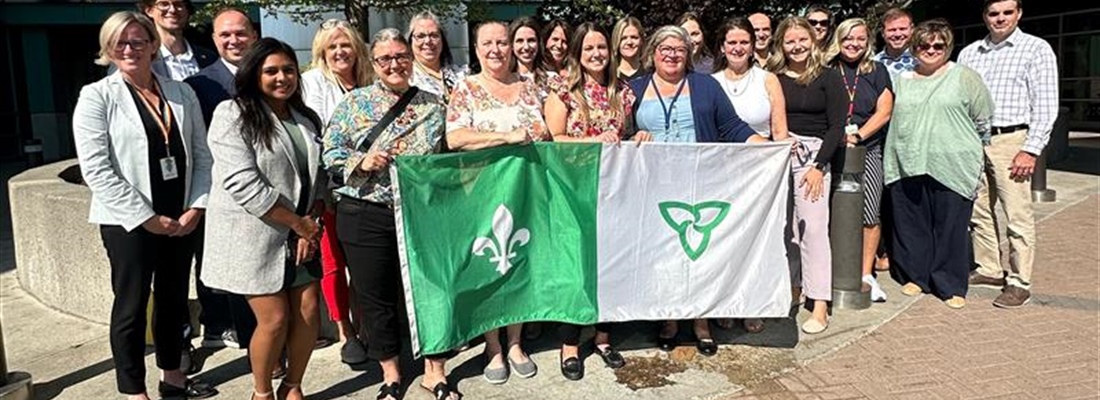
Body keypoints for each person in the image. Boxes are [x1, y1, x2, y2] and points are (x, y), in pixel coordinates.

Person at [73, 11, 215, 400]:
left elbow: (202, 156)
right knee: (132, 306)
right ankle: (135, 391)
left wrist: (197, 206)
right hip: (129, 222)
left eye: (138, 41)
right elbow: (96, 170)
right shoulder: (97, 96)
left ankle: (174, 379)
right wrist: (146, 218)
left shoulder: (181, 93)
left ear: (154, 45)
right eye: (120, 42)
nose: (130, 49)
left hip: (180, 216)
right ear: (108, 49)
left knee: (173, 301)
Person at [322, 28, 462, 400]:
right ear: (373, 62)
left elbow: (452, 155)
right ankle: (391, 373)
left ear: (411, 58)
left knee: (430, 289)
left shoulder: (434, 105)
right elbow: (330, 152)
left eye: (401, 56)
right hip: (365, 212)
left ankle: (436, 369)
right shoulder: (355, 104)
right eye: (385, 58)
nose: (394, 64)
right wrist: (361, 160)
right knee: (374, 294)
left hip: (421, 212)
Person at [202, 38, 326, 400]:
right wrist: (297, 223)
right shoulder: (233, 114)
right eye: (271, 70)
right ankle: (262, 392)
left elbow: (320, 180)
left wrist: (311, 225)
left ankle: (293, 386)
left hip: (302, 234)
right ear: (253, 73)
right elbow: (243, 184)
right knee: (273, 320)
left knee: (308, 310)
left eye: (288, 70)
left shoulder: (306, 118)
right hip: (256, 235)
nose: (282, 77)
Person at [629, 25, 761, 355]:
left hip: (701, 182)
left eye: (680, 49)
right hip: (652, 186)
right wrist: (634, 137)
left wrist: (767, 145)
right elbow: (621, 131)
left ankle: (701, 320)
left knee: (699, 252)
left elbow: (732, 127)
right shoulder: (634, 87)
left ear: (688, 54)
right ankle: (670, 317)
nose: (673, 55)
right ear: (653, 53)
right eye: (666, 49)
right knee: (663, 254)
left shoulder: (706, 86)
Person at [446, 21, 547, 384]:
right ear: (476, 49)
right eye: (487, 43)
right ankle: (493, 345)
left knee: (519, 262)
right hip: (482, 193)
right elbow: (455, 138)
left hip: (525, 190)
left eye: (502, 42)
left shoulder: (530, 86)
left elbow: (544, 132)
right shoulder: (467, 89)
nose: (496, 50)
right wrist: (505, 137)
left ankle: (516, 341)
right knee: (489, 266)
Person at [543, 22, 633, 380]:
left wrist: (638, 133)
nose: (596, 54)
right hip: (571, 191)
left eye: (601, 48)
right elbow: (556, 139)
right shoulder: (562, 89)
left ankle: (603, 337)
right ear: (577, 54)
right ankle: (569, 343)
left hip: (613, 191)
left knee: (610, 265)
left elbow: (625, 134)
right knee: (574, 267)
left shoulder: (622, 91)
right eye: (589, 49)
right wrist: (596, 141)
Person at [885, 19, 993, 310]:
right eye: (923, 45)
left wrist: (978, 154)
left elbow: (983, 119)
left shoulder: (964, 77)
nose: (930, 50)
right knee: (912, 224)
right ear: (914, 47)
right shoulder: (902, 80)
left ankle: (950, 284)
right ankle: (915, 276)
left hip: (953, 162)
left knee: (951, 227)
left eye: (938, 45)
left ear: (948, 47)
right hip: (908, 159)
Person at [959, 0, 1058, 309]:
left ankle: (1019, 281)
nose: (999, 19)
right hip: (975, 140)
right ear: (985, 16)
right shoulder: (970, 53)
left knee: (1017, 213)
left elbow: (1045, 103)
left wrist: (1031, 149)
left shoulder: (1035, 49)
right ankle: (989, 267)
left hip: (1012, 140)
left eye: (1006, 12)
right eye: (993, 13)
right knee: (978, 209)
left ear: (1019, 13)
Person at [765, 17, 846, 334]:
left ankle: (820, 303)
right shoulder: (773, 78)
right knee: (786, 232)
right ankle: (794, 290)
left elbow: (837, 126)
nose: (796, 46)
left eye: (802, 40)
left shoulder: (828, 78)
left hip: (814, 158)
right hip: (779, 155)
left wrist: (818, 166)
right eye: (789, 41)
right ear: (781, 45)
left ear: (813, 41)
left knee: (812, 228)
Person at [184, 6, 258, 352]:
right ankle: (231, 331)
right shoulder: (199, 85)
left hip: (272, 188)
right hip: (224, 192)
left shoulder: (272, 73)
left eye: (240, 33)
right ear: (214, 40)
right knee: (228, 267)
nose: (233, 40)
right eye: (225, 35)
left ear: (253, 35)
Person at [298, 17, 372, 366]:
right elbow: (316, 137)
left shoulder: (370, 79)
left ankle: (367, 323)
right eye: (332, 46)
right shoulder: (312, 83)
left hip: (369, 189)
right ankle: (347, 332)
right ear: (322, 52)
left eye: (345, 45)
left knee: (363, 262)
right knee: (333, 262)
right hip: (330, 188)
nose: (340, 52)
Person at [711, 17, 790, 333]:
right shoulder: (711, 82)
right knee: (726, 241)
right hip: (723, 173)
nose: (738, 47)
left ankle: (753, 303)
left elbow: (779, 130)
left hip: (759, 173)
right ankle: (727, 302)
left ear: (753, 44)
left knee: (758, 240)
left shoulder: (768, 79)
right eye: (732, 42)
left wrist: (780, 156)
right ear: (722, 46)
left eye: (744, 41)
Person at [824, 18, 895, 303]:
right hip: (831, 149)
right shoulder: (827, 69)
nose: (854, 44)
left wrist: (858, 136)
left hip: (867, 149)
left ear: (868, 42)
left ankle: (866, 274)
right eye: (848, 38)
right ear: (838, 40)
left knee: (869, 212)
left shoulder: (877, 70)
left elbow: (885, 110)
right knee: (828, 212)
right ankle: (828, 272)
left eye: (860, 39)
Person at [139, 0, 215, 80]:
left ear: (187, 11)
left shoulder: (209, 57)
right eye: (164, 4)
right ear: (149, 11)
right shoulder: (144, 57)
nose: (172, 10)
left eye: (178, 4)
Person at [407, 11, 469, 103]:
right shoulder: (407, 79)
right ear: (410, 41)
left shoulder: (463, 74)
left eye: (434, 35)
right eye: (420, 36)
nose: (428, 41)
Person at [873, 7, 919, 75]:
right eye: (892, 30)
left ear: (912, 30)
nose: (898, 34)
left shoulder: (923, 60)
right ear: (883, 33)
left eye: (902, 29)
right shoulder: (874, 63)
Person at [611, 16, 645, 81]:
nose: (629, 42)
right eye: (623, 38)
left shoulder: (651, 75)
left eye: (634, 37)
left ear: (641, 40)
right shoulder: (609, 77)